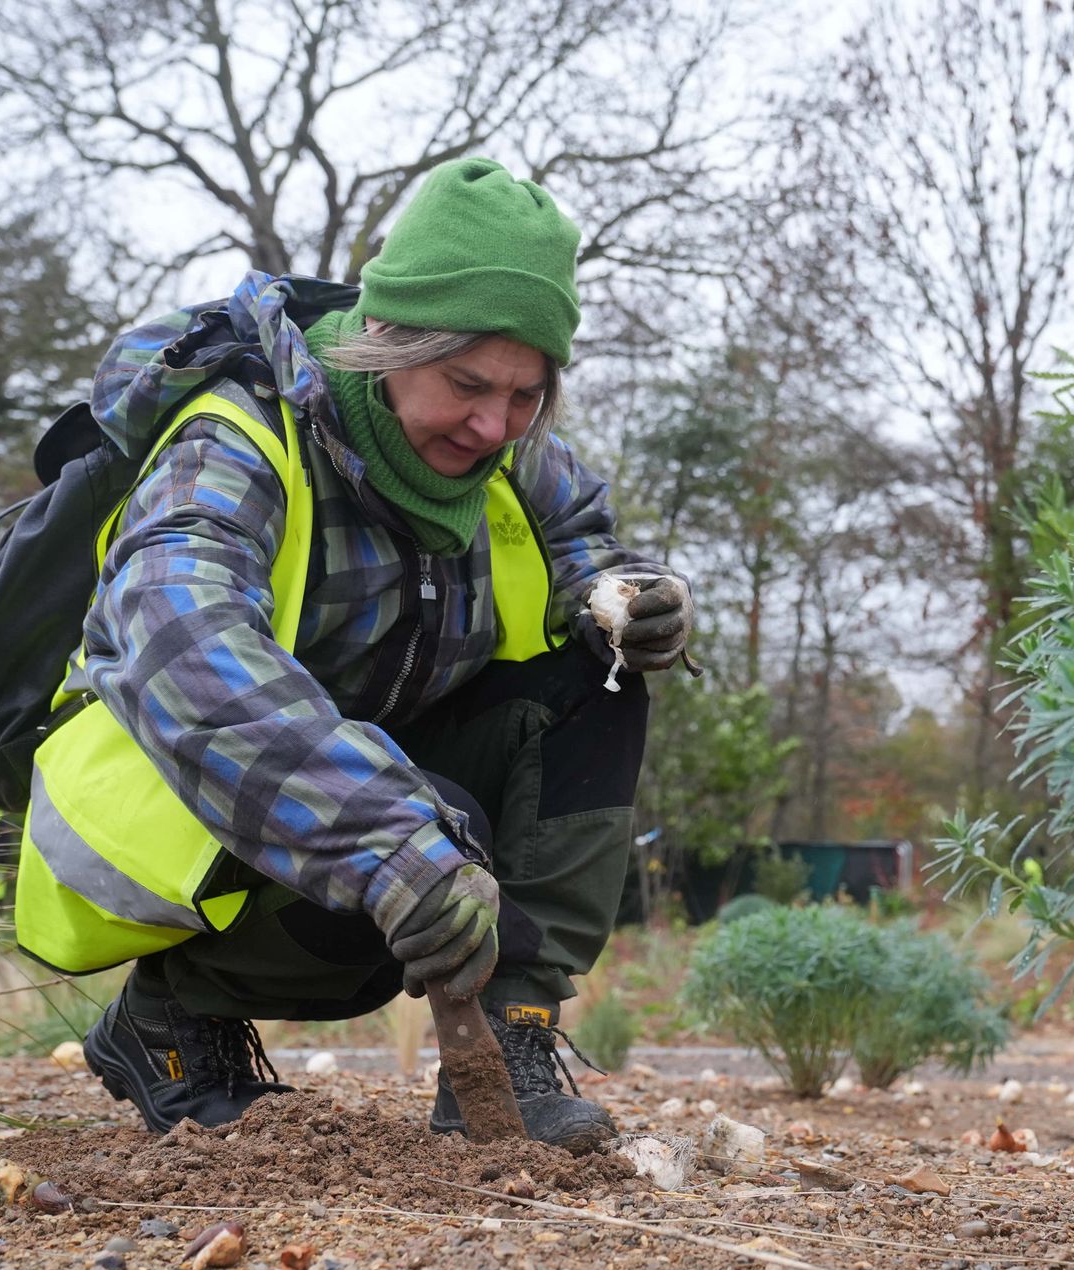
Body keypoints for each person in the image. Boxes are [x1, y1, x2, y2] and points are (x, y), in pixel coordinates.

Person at [54, 159, 689, 1151]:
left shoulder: (511, 452)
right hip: (177, 789)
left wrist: (636, 600)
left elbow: (587, 547)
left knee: (596, 669)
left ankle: (511, 1051)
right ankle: (172, 1012)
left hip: (372, 775)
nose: (493, 427)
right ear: (388, 342)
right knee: (423, 833)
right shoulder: (238, 438)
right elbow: (184, 648)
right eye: (467, 384)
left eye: (526, 395)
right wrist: (391, 841)